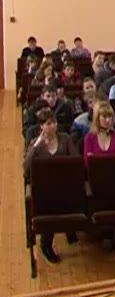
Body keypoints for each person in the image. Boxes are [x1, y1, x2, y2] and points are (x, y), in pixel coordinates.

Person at [23, 110, 78, 263]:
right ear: (41, 126)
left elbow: (76, 161)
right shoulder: (35, 143)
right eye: (48, 123)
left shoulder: (65, 138)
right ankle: (46, 243)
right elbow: (26, 169)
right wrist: (36, 146)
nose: (53, 126)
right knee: (49, 206)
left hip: (65, 186)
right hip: (45, 189)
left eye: (54, 122)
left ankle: (69, 230)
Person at [83, 101, 115, 166]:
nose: (108, 120)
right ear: (97, 118)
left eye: (110, 116)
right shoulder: (89, 138)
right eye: (104, 117)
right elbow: (87, 163)